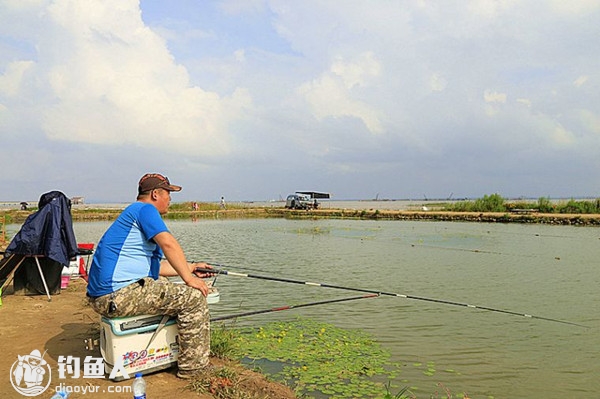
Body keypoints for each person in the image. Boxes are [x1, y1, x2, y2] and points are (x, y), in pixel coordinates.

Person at [86, 173, 214, 379]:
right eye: (168, 194)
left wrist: (190, 268)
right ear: (155, 194)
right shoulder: (146, 210)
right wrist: (190, 281)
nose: (170, 200)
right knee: (194, 298)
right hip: (116, 296)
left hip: (106, 297)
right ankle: (194, 368)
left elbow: (155, 269)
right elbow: (169, 244)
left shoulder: (133, 212)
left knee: (164, 283)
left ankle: (170, 350)